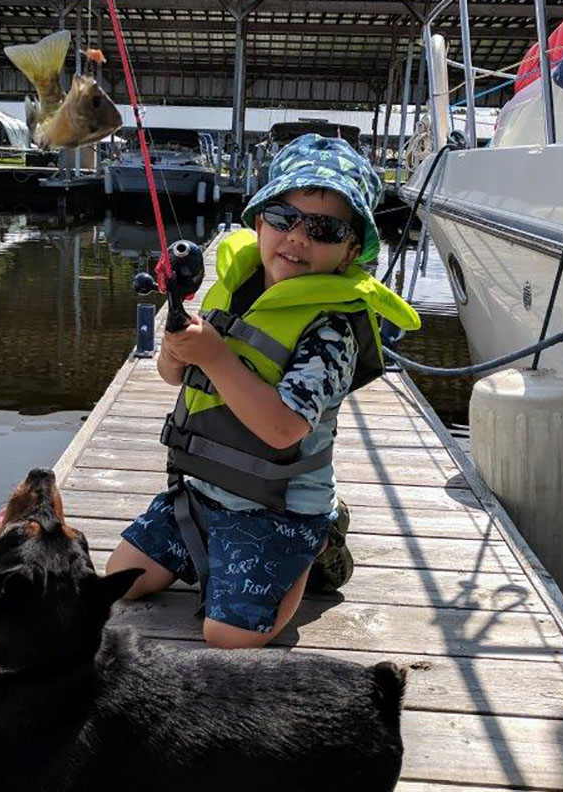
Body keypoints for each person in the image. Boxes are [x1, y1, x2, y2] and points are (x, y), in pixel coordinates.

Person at [104, 133, 420, 649]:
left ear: (349, 252)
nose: (297, 237)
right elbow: (174, 376)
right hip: (201, 493)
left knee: (227, 636)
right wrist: (177, 351)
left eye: (323, 228)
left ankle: (315, 545)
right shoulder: (240, 286)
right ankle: (216, 551)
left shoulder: (330, 332)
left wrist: (215, 356)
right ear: (258, 223)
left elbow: (282, 428)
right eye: (282, 217)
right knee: (121, 580)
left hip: (278, 508)